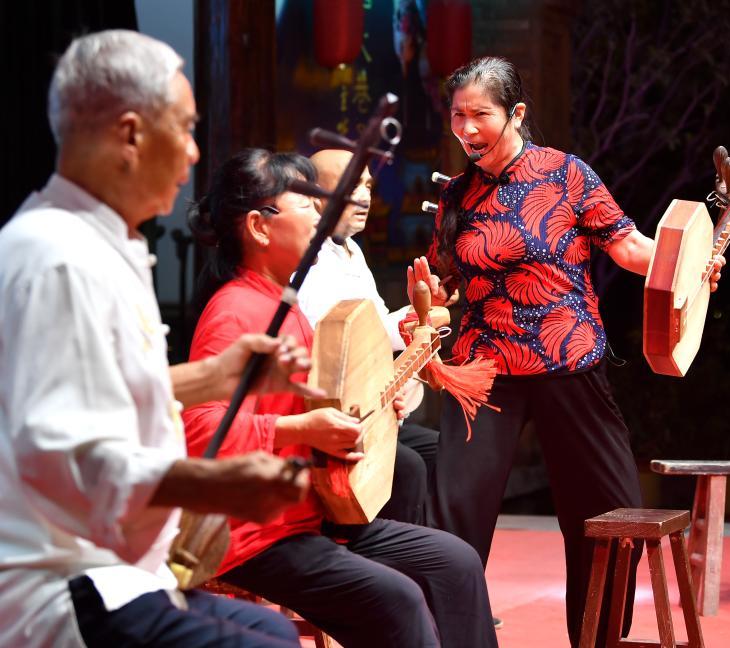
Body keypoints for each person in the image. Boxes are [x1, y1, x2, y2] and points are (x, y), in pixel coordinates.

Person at [0, 30, 325, 647]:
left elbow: (96, 390)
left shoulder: (98, 242)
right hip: (62, 580)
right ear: (129, 134)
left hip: (116, 564)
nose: (195, 153)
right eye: (183, 127)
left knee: (270, 632)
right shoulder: (57, 258)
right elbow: (58, 456)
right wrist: (212, 484)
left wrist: (217, 375)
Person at [408, 56, 723, 646]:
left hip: (568, 358)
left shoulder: (567, 174)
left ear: (516, 114)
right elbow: (449, 285)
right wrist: (427, 298)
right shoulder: (456, 196)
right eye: (458, 116)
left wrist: (687, 264)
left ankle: (598, 637)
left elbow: (628, 247)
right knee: (454, 515)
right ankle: (449, 638)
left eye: (481, 115)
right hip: (484, 369)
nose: (467, 129)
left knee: (611, 513)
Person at [184, 147, 498, 648]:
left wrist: (380, 397)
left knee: (454, 562)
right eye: (306, 203)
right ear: (260, 228)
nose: (320, 213)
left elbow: (327, 396)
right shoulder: (236, 311)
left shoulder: (283, 305)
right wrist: (300, 432)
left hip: (313, 512)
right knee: (397, 598)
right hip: (259, 533)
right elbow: (201, 430)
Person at [299, 149, 439, 525]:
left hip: (373, 406)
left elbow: (375, 332)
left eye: (367, 185)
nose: (364, 196)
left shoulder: (351, 251)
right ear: (316, 197)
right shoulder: (308, 260)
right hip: (340, 414)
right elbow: (326, 351)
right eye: (350, 186)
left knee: (446, 452)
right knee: (410, 465)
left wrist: (418, 312)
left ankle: (435, 553)